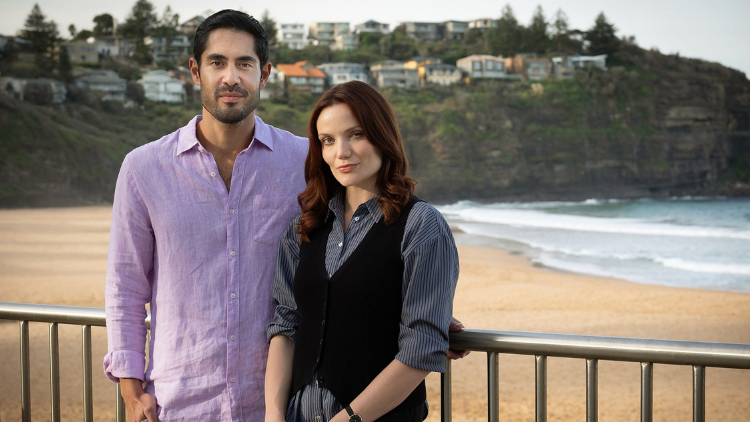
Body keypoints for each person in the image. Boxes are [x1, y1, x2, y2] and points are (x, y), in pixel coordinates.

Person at [103, 10, 308, 421]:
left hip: (277, 406)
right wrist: (130, 387)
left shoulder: (303, 161)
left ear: (264, 74)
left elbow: (354, 248)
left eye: (244, 63)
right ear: (196, 71)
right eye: (217, 62)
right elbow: (126, 283)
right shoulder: (144, 168)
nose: (231, 77)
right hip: (179, 404)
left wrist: (418, 313)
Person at [265, 81, 460, 422]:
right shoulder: (303, 227)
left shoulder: (421, 225)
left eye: (355, 134)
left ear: (382, 135)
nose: (341, 152)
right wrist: (273, 415)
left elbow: (422, 347)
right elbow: (286, 326)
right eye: (328, 140)